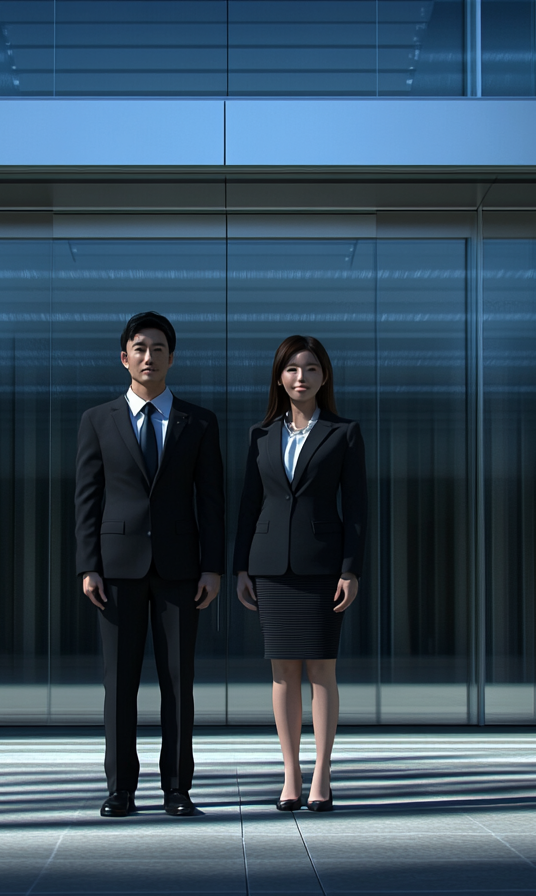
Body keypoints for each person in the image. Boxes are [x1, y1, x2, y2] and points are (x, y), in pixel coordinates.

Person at [74, 311, 225, 818]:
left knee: (178, 685)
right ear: (124, 358)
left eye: (158, 348)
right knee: (118, 686)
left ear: (172, 357)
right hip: (116, 570)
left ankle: (177, 791)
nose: (148, 357)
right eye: (139, 348)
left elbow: (212, 500)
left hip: (182, 570)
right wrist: (87, 565)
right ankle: (120, 791)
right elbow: (87, 500)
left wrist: (213, 566)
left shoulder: (199, 422)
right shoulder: (97, 420)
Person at [234, 335, 367, 813]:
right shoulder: (260, 435)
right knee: (283, 672)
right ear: (279, 377)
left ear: (324, 377)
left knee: (322, 671)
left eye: (311, 369)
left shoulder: (344, 432)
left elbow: (355, 509)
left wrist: (350, 570)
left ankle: (322, 775)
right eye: (292, 369)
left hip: (322, 565)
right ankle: (291, 776)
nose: (301, 377)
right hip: (270, 567)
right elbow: (250, 505)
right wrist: (240, 567)